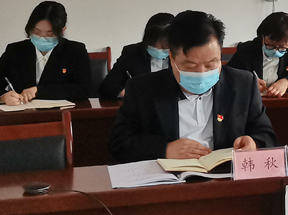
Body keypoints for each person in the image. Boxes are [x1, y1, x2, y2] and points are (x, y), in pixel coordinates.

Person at [109, 10, 278, 162]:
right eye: (190, 66)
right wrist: (164, 149)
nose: (202, 73)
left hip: (224, 178)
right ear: (172, 58)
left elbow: (267, 136)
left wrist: (254, 143)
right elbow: (119, 143)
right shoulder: (142, 89)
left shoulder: (243, 84)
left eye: (211, 64)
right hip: (169, 181)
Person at [0, 1, 90, 105]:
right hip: (24, 116)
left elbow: (84, 89)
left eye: (50, 34)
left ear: (62, 31)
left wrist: (38, 91)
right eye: (37, 32)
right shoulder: (15, 51)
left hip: (61, 115)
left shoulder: (76, 51)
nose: (42, 37)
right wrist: (3, 97)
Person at [227, 12, 288, 97]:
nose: (276, 51)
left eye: (282, 47)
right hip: (252, 101)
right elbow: (228, 75)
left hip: (282, 101)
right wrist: (248, 82)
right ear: (262, 36)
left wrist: (287, 82)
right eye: (270, 45)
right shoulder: (246, 50)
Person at [100, 12, 174, 100]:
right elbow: (107, 87)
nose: (158, 49)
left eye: (164, 47)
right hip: (141, 106)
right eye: (153, 44)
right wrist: (127, 92)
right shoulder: (132, 53)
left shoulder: (182, 56)